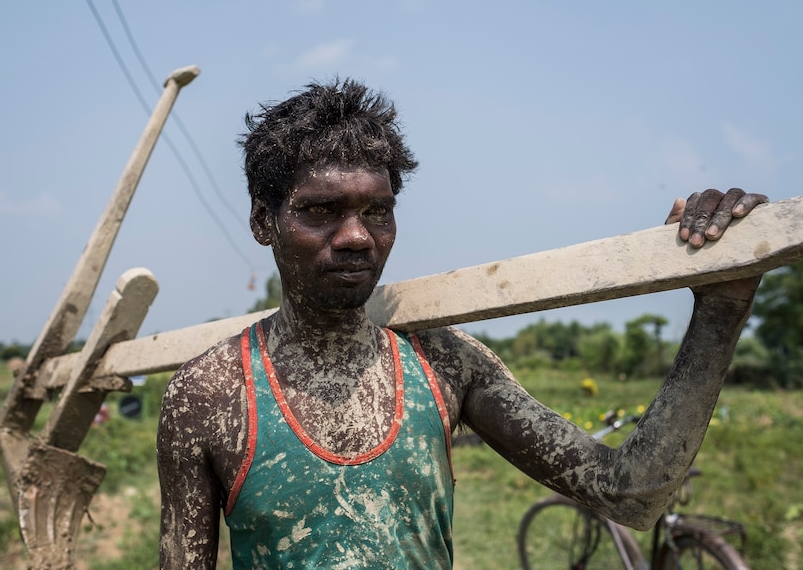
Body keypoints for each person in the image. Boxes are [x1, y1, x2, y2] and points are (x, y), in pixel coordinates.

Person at [156, 78, 768, 569]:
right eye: (320, 211)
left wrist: (722, 306)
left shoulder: (444, 363)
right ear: (264, 221)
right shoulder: (209, 396)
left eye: (378, 211)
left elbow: (630, 492)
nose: (355, 237)